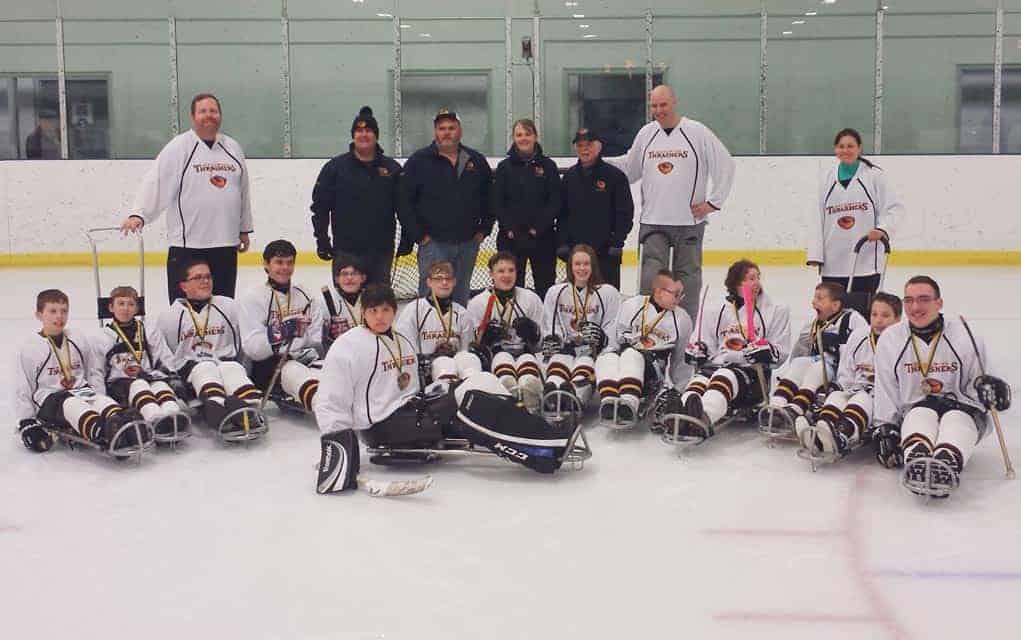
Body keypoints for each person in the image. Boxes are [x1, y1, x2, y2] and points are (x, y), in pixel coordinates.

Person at [312, 284, 583, 494]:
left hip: (409, 411)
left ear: (394, 311)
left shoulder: (400, 339)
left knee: (480, 381)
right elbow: (330, 399)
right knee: (471, 403)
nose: (379, 316)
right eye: (373, 311)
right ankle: (546, 446)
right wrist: (337, 450)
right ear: (363, 312)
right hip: (382, 427)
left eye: (385, 310)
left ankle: (536, 430)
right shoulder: (348, 346)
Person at [873, 276, 1010, 496]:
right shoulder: (891, 339)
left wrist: (993, 391)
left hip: (962, 408)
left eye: (924, 299)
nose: (915, 307)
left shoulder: (965, 335)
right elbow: (886, 389)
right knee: (919, 416)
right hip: (917, 407)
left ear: (939, 303)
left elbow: (981, 385)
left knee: (955, 420)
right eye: (909, 300)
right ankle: (917, 457)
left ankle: (947, 461)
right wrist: (886, 427)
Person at [610, 84, 736, 319]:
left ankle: (684, 329)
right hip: (653, 221)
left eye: (663, 104)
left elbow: (725, 164)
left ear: (674, 102)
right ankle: (648, 326)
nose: (659, 110)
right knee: (651, 278)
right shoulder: (647, 134)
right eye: (654, 106)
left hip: (689, 222)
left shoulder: (696, 132)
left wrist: (713, 203)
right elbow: (630, 169)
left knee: (687, 279)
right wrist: (600, 162)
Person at [120, 93, 253, 303]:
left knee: (223, 307)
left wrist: (244, 229)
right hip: (188, 245)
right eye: (203, 111)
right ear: (193, 116)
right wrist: (139, 214)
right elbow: (156, 181)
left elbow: (242, 191)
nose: (208, 116)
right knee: (185, 310)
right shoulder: (179, 147)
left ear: (220, 115)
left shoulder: (232, 147)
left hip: (226, 244)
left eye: (213, 111)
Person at [15, 290, 144, 454]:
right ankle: (105, 433)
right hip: (51, 399)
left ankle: (124, 423)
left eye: (64, 311)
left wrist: (100, 395)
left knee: (99, 401)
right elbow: (23, 387)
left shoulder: (77, 338)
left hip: (80, 391)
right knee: (72, 404)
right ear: (39, 315)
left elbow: (91, 371)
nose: (59, 316)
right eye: (53, 311)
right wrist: (26, 420)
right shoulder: (31, 348)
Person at [675, 259, 791, 439]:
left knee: (724, 377)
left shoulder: (775, 310)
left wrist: (766, 350)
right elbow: (702, 341)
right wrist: (698, 350)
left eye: (758, 277)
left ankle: (703, 417)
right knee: (699, 381)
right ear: (737, 283)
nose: (757, 283)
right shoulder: (716, 309)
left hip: (752, 376)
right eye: (750, 278)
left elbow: (781, 352)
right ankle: (681, 415)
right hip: (717, 366)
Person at [157, 258, 263, 434]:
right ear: (184, 286)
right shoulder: (169, 316)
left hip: (225, 363)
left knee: (232, 368)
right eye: (198, 277)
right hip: (193, 370)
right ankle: (216, 410)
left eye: (208, 276)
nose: (205, 281)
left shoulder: (229, 306)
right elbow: (167, 354)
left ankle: (248, 408)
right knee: (205, 368)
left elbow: (241, 342)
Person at [310, 106, 412, 287]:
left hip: (381, 251)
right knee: (347, 304)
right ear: (353, 135)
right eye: (359, 131)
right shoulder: (335, 168)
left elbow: (405, 206)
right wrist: (322, 239)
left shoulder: (392, 168)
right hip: (346, 250)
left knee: (378, 304)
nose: (363, 135)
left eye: (369, 131)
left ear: (376, 136)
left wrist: (407, 237)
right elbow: (320, 207)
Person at [403, 109, 493, 305]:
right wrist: (420, 235)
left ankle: (457, 334)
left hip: (467, 243)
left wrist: (484, 229)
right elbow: (404, 201)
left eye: (451, 128)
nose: (446, 132)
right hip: (434, 245)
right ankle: (428, 333)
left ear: (460, 131)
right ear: (435, 132)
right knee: (431, 297)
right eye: (442, 128)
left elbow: (490, 199)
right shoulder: (419, 161)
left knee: (460, 295)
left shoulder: (475, 160)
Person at [801, 293, 902, 458]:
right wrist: (839, 387)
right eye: (874, 314)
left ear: (898, 319)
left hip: (882, 398)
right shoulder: (859, 335)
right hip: (857, 388)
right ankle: (821, 430)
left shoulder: (902, 342)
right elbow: (846, 372)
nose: (878, 320)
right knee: (837, 397)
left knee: (861, 400)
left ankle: (842, 435)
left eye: (885, 315)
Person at [808, 128, 903, 295]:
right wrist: (816, 254)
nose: (846, 150)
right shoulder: (826, 179)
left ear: (859, 148)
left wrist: (882, 230)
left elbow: (894, 208)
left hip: (865, 260)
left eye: (850, 146)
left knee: (863, 311)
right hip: (833, 263)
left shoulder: (874, 176)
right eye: (841, 146)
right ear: (835, 149)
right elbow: (817, 218)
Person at [766, 281, 867, 434]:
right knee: (800, 363)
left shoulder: (852, 319)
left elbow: (864, 344)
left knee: (817, 368)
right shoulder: (814, 322)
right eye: (814, 297)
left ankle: (797, 408)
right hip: (817, 362)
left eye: (820, 298)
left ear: (835, 305)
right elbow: (800, 349)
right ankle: (777, 405)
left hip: (837, 370)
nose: (814, 302)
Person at [595, 270, 692, 425]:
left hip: (653, 373)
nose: (679, 299)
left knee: (631, 354)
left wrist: (678, 389)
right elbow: (614, 341)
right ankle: (609, 401)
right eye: (676, 294)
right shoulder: (632, 305)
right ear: (659, 291)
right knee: (607, 357)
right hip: (625, 366)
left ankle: (628, 404)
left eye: (681, 294)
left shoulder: (682, 319)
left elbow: (680, 360)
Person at [239, 240, 325, 412]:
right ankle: (326, 409)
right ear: (266, 264)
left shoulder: (305, 295)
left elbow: (316, 340)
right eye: (279, 262)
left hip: (304, 358)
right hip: (267, 365)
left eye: (289, 262)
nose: (285, 268)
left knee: (328, 371)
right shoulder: (253, 297)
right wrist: (283, 331)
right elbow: (252, 349)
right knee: (296, 373)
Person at [92, 285, 186, 439]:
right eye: (120, 304)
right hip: (120, 384)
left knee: (160, 384)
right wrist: (100, 399)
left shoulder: (148, 331)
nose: (125, 308)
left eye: (130, 304)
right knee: (139, 384)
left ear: (137, 308)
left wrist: (172, 375)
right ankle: (154, 420)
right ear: (110, 307)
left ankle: (172, 415)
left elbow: (163, 355)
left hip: (148, 376)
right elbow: (96, 371)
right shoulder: (102, 337)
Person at [542, 245, 621, 409]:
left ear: (593, 266)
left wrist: (603, 340)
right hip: (565, 350)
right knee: (559, 361)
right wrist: (555, 340)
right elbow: (551, 324)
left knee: (584, 364)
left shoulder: (608, 293)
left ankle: (575, 396)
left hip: (592, 352)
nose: (582, 268)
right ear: (570, 266)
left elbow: (613, 329)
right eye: (577, 264)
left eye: (586, 264)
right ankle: (552, 394)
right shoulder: (555, 292)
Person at [466, 251, 546, 411]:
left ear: (517, 272)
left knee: (528, 376)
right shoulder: (478, 303)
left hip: (525, 353)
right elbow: (471, 347)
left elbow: (541, 344)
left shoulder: (530, 298)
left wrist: (534, 333)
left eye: (511, 270)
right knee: (506, 374)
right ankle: (508, 407)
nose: (507, 275)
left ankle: (531, 406)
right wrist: (484, 340)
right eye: (501, 271)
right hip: (497, 356)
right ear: (491, 274)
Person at [493, 118, 561, 298]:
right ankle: (511, 323)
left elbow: (554, 202)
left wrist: (536, 229)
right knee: (511, 287)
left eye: (528, 134)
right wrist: (510, 229)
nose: (523, 138)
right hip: (511, 239)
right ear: (513, 138)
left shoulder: (548, 166)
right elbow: (498, 203)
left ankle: (545, 325)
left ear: (536, 137)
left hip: (543, 238)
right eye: (519, 134)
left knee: (545, 287)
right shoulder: (504, 167)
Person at [558, 127, 633, 290]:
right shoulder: (569, 177)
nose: (584, 149)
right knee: (576, 300)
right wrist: (562, 243)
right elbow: (562, 213)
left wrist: (617, 242)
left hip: (606, 252)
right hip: (577, 254)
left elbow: (625, 213)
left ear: (599, 146)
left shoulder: (615, 176)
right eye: (580, 145)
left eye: (589, 145)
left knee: (607, 299)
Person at [395, 260, 477, 386]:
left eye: (448, 278)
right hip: (427, 371)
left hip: (456, 368)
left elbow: (466, 350)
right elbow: (406, 347)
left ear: (454, 282)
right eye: (438, 278)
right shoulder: (414, 309)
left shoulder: (462, 313)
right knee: (443, 366)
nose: (444, 282)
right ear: (429, 282)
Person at [321, 255, 367, 352]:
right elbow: (322, 341)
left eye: (354, 273)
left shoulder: (371, 299)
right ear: (337, 279)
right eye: (344, 274)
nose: (349, 278)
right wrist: (330, 334)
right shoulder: (325, 303)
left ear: (363, 278)